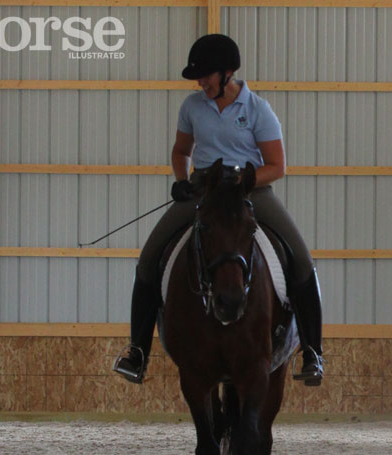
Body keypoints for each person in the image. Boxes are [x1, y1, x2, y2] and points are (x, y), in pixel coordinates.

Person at [113, 34, 324, 386]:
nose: (200, 83)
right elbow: (181, 151)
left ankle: (313, 352)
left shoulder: (258, 110)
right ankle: (137, 351)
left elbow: (277, 166)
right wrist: (181, 180)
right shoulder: (192, 107)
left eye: (206, 76)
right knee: (149, 260)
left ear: (227, 73)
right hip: (204, 193)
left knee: (301, 260)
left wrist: (244, 176)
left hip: (251, 193)